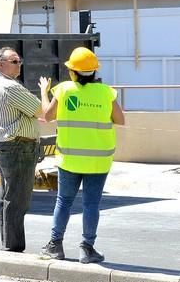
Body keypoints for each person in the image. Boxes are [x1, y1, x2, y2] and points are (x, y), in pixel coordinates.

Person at [38, 47, 125, 264]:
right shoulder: (106, 92)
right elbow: (120, 119)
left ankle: (55, 246)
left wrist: (44, 91)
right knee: (91, 204)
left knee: (64, 201)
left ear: (73, 72)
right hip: (98, 161)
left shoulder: (64, 90)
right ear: (94, 72)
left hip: (69, 159)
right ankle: (87, 249)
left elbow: (47, 116)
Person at [0, 46, 47, 252]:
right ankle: (13, 246)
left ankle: (9, 243)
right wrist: (45, 92)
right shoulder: (10, 88)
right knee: (17, 198)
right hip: (18, 146)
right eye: (14, 61)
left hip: (8, 146)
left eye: (19, 60)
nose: (19, 64)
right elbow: (43, 112)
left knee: (8, 196)